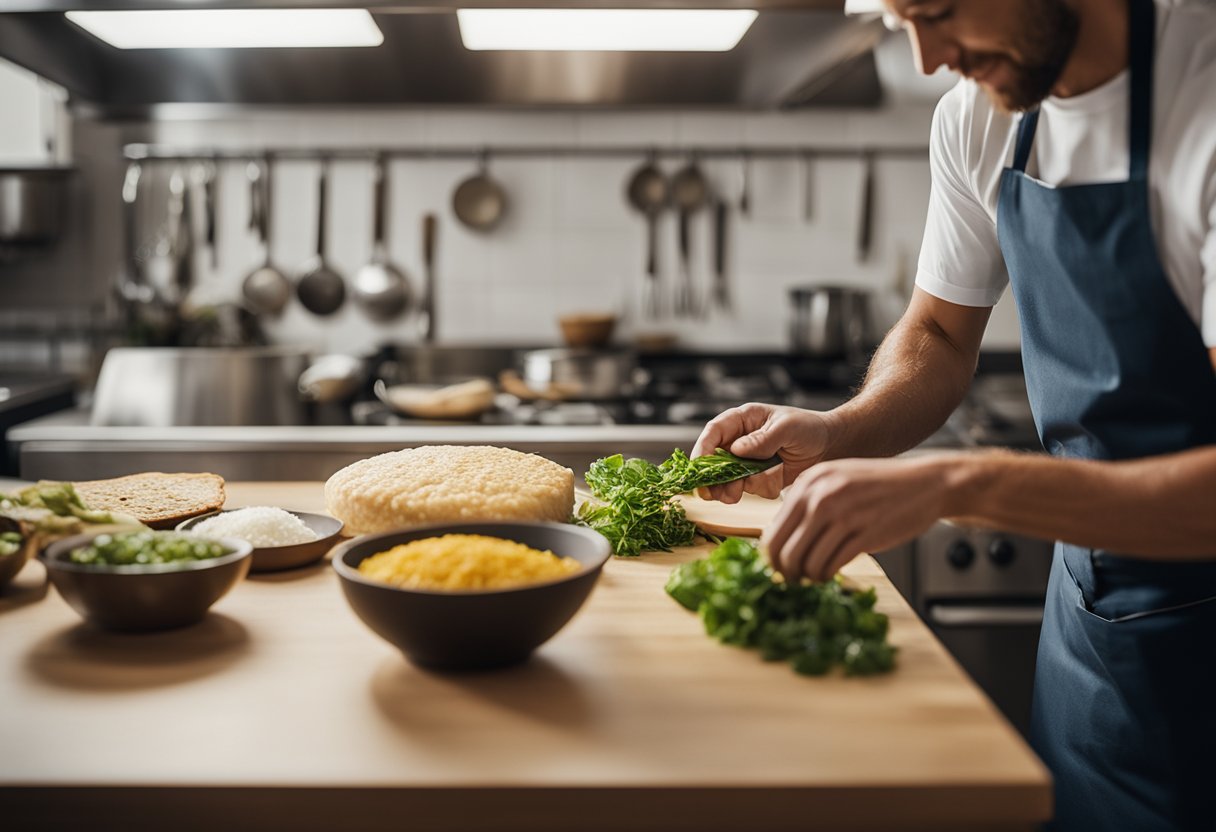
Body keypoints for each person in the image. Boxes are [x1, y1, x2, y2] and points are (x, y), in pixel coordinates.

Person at [693, 1, 1216, 829]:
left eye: (938, 12)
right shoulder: (980, 117)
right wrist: (839, 431)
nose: (930, 58)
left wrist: (957, 484)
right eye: (903, 22)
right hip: (1092, 626)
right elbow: (938, 331)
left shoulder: (1204, 103)